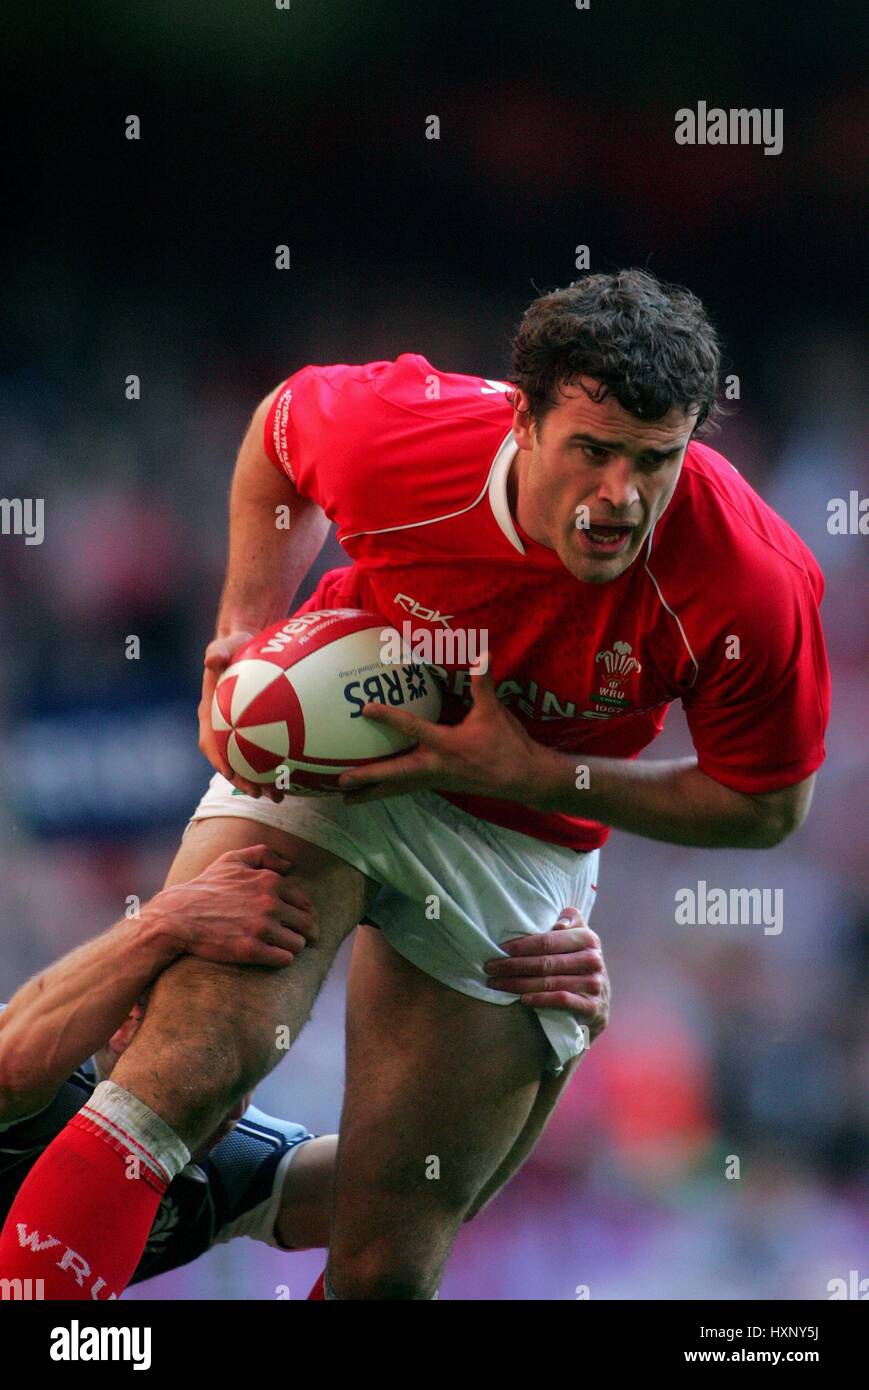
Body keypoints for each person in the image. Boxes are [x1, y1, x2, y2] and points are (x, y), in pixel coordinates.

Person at [0, 268, 829, 1301]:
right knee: (182, 1074)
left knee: (395, 1240)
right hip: (345, 752)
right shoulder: (400, 432)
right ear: (520, 417)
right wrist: (243, 628)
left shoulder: (751, 577)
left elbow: (763, 805)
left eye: (654, 460)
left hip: (523, 834)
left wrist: (536, 770)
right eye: (592, 450)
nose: (619, 496)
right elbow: (277, 433)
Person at [0, 851, 608, 1299]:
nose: (230, 1102)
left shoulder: (223, 1162)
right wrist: (163, 923)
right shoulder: (55, 1080)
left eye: (241, 1073)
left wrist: (553, 1039)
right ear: (121, 1022)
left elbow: (433, 1198)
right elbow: (10, 1064)